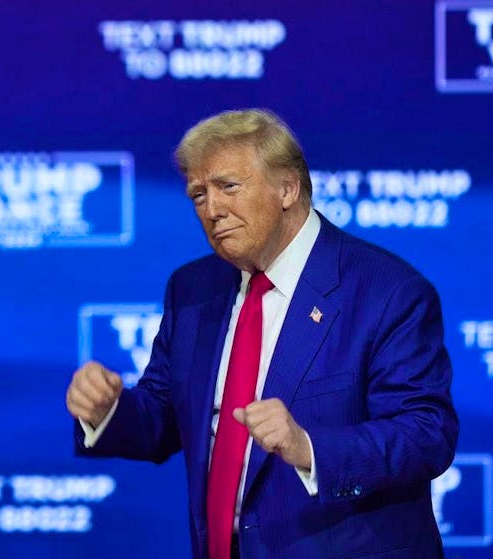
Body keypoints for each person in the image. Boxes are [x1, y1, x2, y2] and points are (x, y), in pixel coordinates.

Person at [65, 109, 458, 559]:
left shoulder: (386, 292)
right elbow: (164, 414)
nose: (212, 210)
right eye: (199, 194)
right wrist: (107, 411)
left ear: (287, 188)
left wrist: (308, 447)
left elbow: (426, 433)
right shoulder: (192, 290)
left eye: (228, 186)